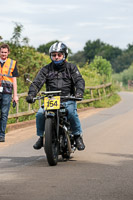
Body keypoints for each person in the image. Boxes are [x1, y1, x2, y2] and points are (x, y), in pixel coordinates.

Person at [26, 42, 85, 151]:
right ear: (51, 56)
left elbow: (79, 81)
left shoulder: (71, 68)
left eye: (59, 54)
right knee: (39, 114)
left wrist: (79, 92)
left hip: (68, 99)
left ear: (64, 55)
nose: (56, 57)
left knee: (72, 113)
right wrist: (31, 94)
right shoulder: (46, 69)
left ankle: (77, 136)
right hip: (51, 99)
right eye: (54, 55)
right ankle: (42, 137)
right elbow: (37, 82)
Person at [0, 44, 19, 142]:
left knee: (4, 114)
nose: (3, 54)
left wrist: (15, 95)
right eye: (2, 52)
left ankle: (2, 135)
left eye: (5, 52)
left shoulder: (13, 63)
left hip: (7, 92)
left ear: (8, 53)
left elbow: (14, 80)